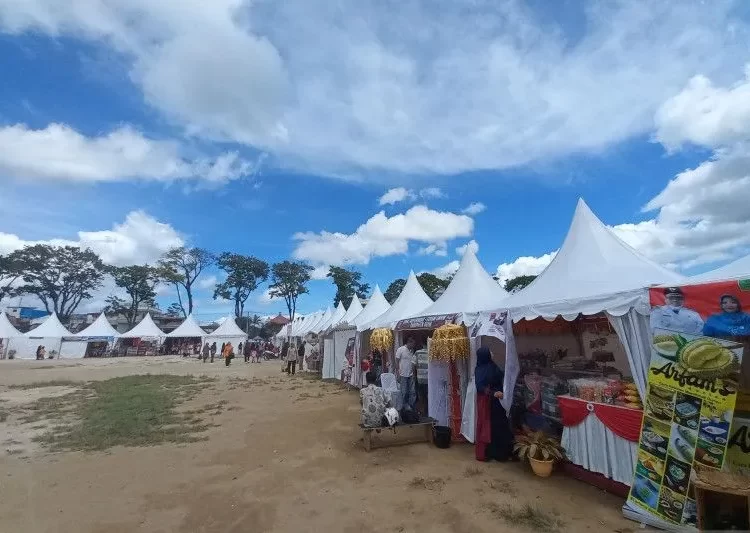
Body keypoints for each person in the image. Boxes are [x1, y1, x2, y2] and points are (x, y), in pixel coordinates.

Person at [474, 346, 513, 462]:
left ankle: (500, 452)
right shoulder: (480, 369)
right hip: (489, 403)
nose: (492, 353)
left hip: (497, 402)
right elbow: (480, 387)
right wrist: (493, 393)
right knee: (492, 426)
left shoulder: (491, 366)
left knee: (499, 426)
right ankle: (495, 453)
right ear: (485, 355)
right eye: (489, 351)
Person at [395, 337, 417, 411]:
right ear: (409, 343)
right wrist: (398, 372)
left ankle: (411, 407)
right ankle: (403, 407)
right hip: (403, 374)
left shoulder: (412, 351)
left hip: (411, 374)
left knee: (412, 392)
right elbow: (397, 361)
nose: (414, 345)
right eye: (413, 344)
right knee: (404, 392)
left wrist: (413, 374)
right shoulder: (400, 349)